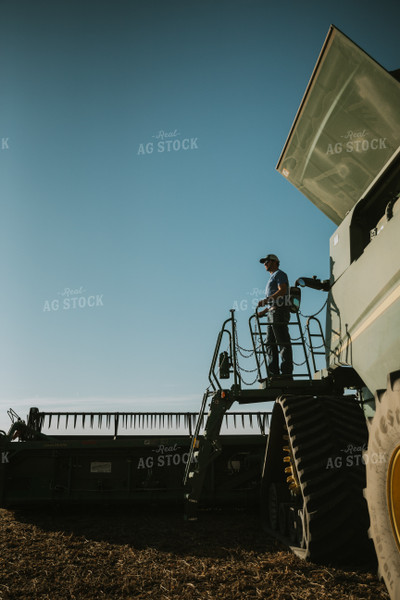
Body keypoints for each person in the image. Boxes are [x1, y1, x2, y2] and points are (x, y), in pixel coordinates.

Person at [257, 253, 293, 377]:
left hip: (279, 312)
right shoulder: (272, 277)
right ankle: (274, 374)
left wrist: (266, 301)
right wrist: (265, 311)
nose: (265, 264)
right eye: (264, 262)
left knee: (282, 342)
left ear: (274, 262)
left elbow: (282, 290)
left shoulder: (280, 274)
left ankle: (286, 374)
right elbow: (274, 301)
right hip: (272, 312)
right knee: (270, 343)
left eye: (267, 261)